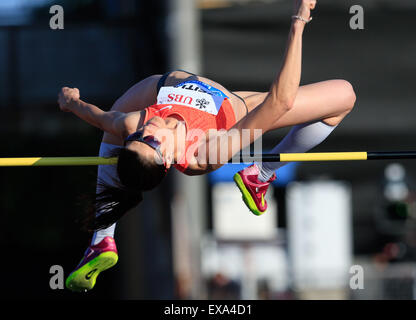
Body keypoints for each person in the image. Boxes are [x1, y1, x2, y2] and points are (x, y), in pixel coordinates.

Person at [59, 0, 356, 292]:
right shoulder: (208, 151)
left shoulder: (134, 124)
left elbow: (100, 118)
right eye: (150, 142)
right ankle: (262, 173)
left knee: (114, 128)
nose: (146, 131)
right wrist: (298, 21)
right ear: (169, 160)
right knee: (344, 96)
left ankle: (101, 241)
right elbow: (280, 102)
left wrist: (72, 103)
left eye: (136, 140)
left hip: (157, 87)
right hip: (241, 108)